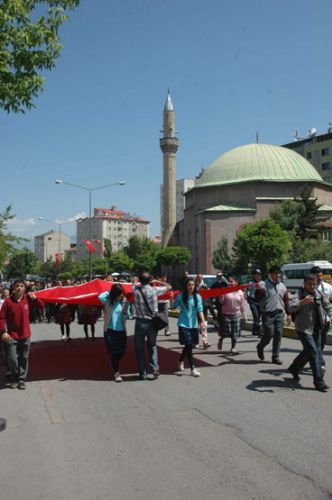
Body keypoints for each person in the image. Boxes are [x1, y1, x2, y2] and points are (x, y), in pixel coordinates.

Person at [288, 274, 331, 392]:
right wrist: (302, 302)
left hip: (317, 328)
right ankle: (319, 381)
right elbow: (290, 307)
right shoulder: (299, 294)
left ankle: (294, 368)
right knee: (313, 352)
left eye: (314, 284)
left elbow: (327, 306)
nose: (312, 286)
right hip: (304, 329)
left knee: (309, 352)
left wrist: (330, 315)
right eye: (309, 284)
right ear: (304, 284)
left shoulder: (319, 294)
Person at [0, 279, 44, 389]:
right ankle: (14, 376)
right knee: (12, 358)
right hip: (11, 335)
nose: (19, 288)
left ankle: (21, 379)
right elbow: (1, 318)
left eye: (21, 286)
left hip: (25, 335)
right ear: (13, 289)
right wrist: (4, 332)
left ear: (24, 288)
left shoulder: (28, 299)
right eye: (17, 286)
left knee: (24, 358)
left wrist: (36, 299)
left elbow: (41, 306)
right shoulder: (8, 302)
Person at [133, 272, 172, 380]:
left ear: (140, 280)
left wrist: (139, 281)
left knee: (139, 348)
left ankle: (143, 373)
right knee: (152, 345)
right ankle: (155, 368)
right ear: (150, 280)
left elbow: (134, 283)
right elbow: (169, 287)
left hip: (140, 322)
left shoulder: (135, 290)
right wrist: (157, 281)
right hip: (152, 323)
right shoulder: (154, 290)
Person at [256, 266, 291, 365]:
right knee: (269, 334)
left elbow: (286, 300)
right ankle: (260, 346)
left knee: (278, 335)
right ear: (270, 274)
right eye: (276, 273)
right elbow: (258, 296)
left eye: (279, 273)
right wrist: (259, 290)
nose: (278, 275)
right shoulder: (263, 284)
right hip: (267, 313)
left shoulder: (282, 286)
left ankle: (275, 357)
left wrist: (288, 314)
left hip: (279, 313)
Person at [173, 277, 205, 377]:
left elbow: (200, 310)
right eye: (189, 285)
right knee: (189, 346)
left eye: (192, 285)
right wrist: (171, 298)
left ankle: (180, 360)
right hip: (183, 324)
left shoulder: (198, 297)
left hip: (193, 325)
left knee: (190, 346)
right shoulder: (181, 296)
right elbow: (173, 306)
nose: (191, 287)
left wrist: (203, 322)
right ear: (186, 286)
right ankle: (192, 369)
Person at [98, 284, 128, 382]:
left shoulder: (124, 302)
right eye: (119, 294)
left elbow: (127, 314)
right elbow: (100, 296)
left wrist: (125, 309)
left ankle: (115, 365)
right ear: (115, 294)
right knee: (114, 353)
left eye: (122, 293)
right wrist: (110, 292)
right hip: (110, 331)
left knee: (122, 351)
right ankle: (116, 373)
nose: (121, 295)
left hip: (122, 331)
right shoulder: (108, 302)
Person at [218, 276, 246, 354]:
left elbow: (242, 305)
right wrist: (221, 293)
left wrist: (244, 315)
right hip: (226, 315)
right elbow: (221, 302)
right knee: (226, 332)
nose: (230, 283)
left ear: (236, 283)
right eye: (229, 281)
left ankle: (233, 348)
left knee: (235, 333)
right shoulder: (225, 291)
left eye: (231, 281)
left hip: (236, 315)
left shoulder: (240, 292)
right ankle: (221, 339)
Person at [310, 265, 332, 359]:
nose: (320, 277)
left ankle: (318, 359)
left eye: (321, 275)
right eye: (317, 276)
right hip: (312, 319)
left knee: (322, 341)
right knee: (315, 342)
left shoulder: (328, 287)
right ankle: (318, 362)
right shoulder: (309, 287)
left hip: (325, 319)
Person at [246, 269, 263, 337]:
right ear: (254, 275)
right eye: (256, 274)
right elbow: (246, 290)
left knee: (258, 317)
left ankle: (254, 331)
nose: (257, 276)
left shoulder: (263, 283)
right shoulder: (251, 283)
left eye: (259, 274)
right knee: (256, 315)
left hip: (260, 301)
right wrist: (246, 296)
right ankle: (259, 332)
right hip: (252, 301)